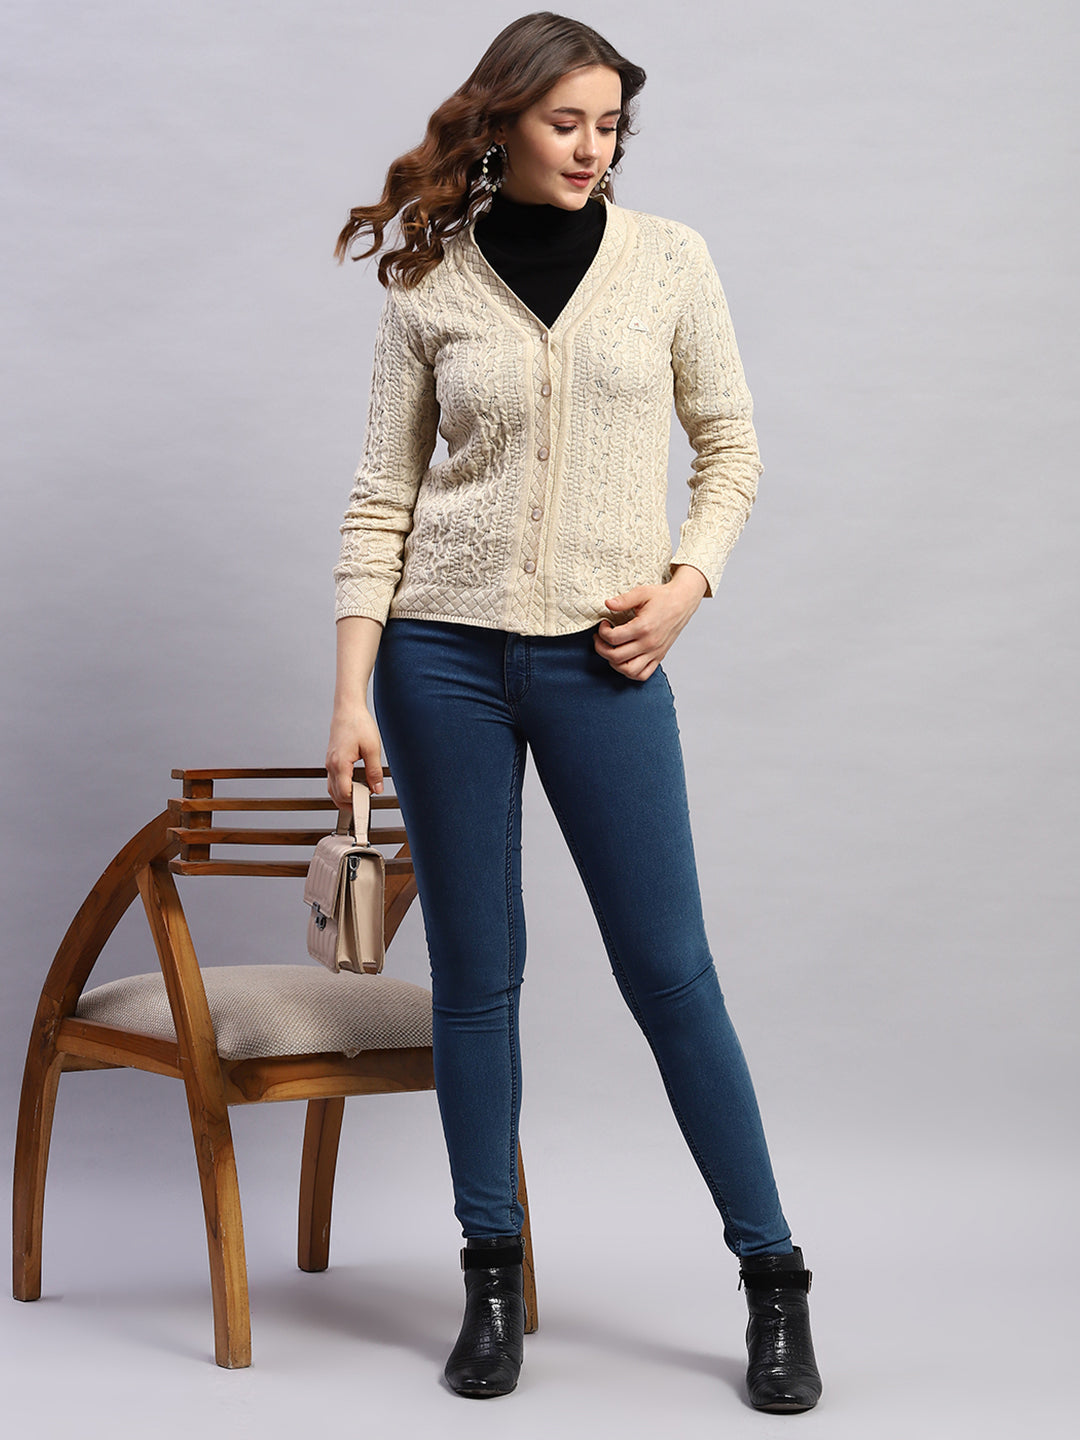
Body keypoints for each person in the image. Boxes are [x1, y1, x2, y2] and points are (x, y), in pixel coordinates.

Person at [325, 10, 822, 1410]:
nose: (594, 146)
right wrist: (351, 692)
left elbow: (731, 447)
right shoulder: (432, 281)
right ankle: (492, 1279)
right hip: (439, 658)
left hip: (606, 658)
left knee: (670, 970)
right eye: (568, 122)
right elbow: (381, 498)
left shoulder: (669, 261)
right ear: (504, 121)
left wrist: (685, 588)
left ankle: (775, 1280)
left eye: (611, 124)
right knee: (477, 979)